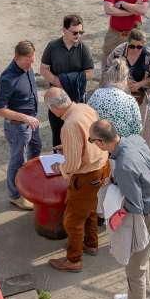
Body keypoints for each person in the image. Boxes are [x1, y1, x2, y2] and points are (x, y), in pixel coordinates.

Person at [89, 119, 150, 299]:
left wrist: (114, 212)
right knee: (141, 264)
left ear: (101, 142)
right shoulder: (134, 139)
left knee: (135, 271)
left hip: (146, 216)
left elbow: (135, 205)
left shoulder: (123, 166)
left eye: (92, 141)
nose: (93, 144)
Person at [45, 89, 108, 273]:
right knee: (90, 210)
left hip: (87, 176)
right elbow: (89, 139)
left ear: (54, 108)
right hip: (101, 167)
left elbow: (73, 165)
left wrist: (60, 168)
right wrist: (67, 146)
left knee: (72, 219)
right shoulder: (84, 108)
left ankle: (73, 260)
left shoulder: (69, 126)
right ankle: (91, 244)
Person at [0, 40, 41, 210]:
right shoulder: (8, 78)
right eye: (28, 59)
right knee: (17, 160)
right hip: (18, 127)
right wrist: (25, 118)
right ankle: (15, 195)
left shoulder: (27, 68)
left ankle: (30, 184)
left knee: (36, 150)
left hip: (32, 122)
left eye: (33, 58)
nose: (32, 62)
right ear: (17, 58)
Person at [40, 15, 94, 149]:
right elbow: (43, 69)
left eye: (81, 32)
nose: (78, 35)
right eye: (75, 32)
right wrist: (56, 81)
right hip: (57, 101)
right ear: (64, 30)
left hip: (76, 100)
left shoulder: (83, 48)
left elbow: (90, 73)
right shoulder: (52, 47)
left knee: (77, 135)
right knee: (58, 135)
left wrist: (68, 80)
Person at [106, 29, 150, 148]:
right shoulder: (118, 52)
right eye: (132, 46)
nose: (135, 49)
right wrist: (123, 82)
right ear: (127, 43)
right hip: (120, 98)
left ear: (144, 45)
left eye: (139, 47)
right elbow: (107, 70)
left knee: (140, 129)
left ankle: (141, 155)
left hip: (140, 99)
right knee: (120, 128)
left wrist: (139, 84)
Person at [88, 57, 141, 138]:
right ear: (125, 78)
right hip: (122, 145)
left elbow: (87, 117)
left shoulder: (97, 93)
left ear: (109, 76)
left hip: (98, 142)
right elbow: (137, 129)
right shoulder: (130, 101)